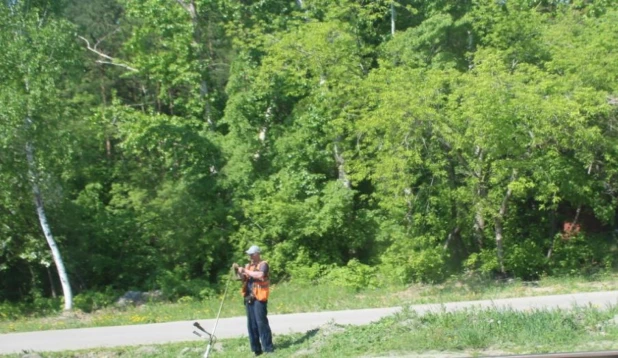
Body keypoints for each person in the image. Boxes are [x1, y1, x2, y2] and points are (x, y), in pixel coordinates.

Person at [233, 245, 274, 356]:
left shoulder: (263, 265)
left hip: (259, 298)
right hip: (249, 297)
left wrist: (245, 270)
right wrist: (239, 271)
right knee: (251, 324)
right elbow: (242, 279)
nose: (250, 256)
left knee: (261, 323)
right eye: (249, 254)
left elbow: (260, 275)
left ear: (257, 254)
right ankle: (256, 349)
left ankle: (268, 348)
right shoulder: (248, 266)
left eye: (252, 254)